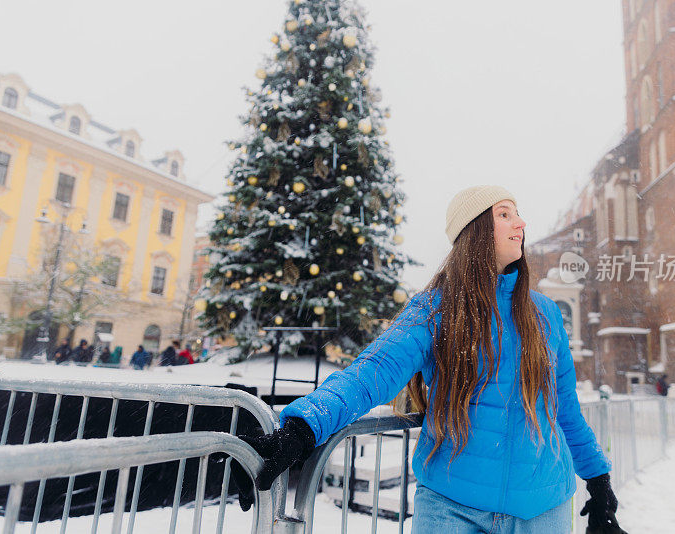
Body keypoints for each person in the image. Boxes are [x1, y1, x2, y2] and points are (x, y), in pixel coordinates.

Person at [232, 186, 625, 533]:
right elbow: (375, 371)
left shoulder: (544, 314)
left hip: (543, 510)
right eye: (504, 214)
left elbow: (564, 409)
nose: (520, 222)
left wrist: (599, 482)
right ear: (474, 231)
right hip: (452, 509)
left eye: (517, 213)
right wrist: (302, 428)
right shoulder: (436, 308)